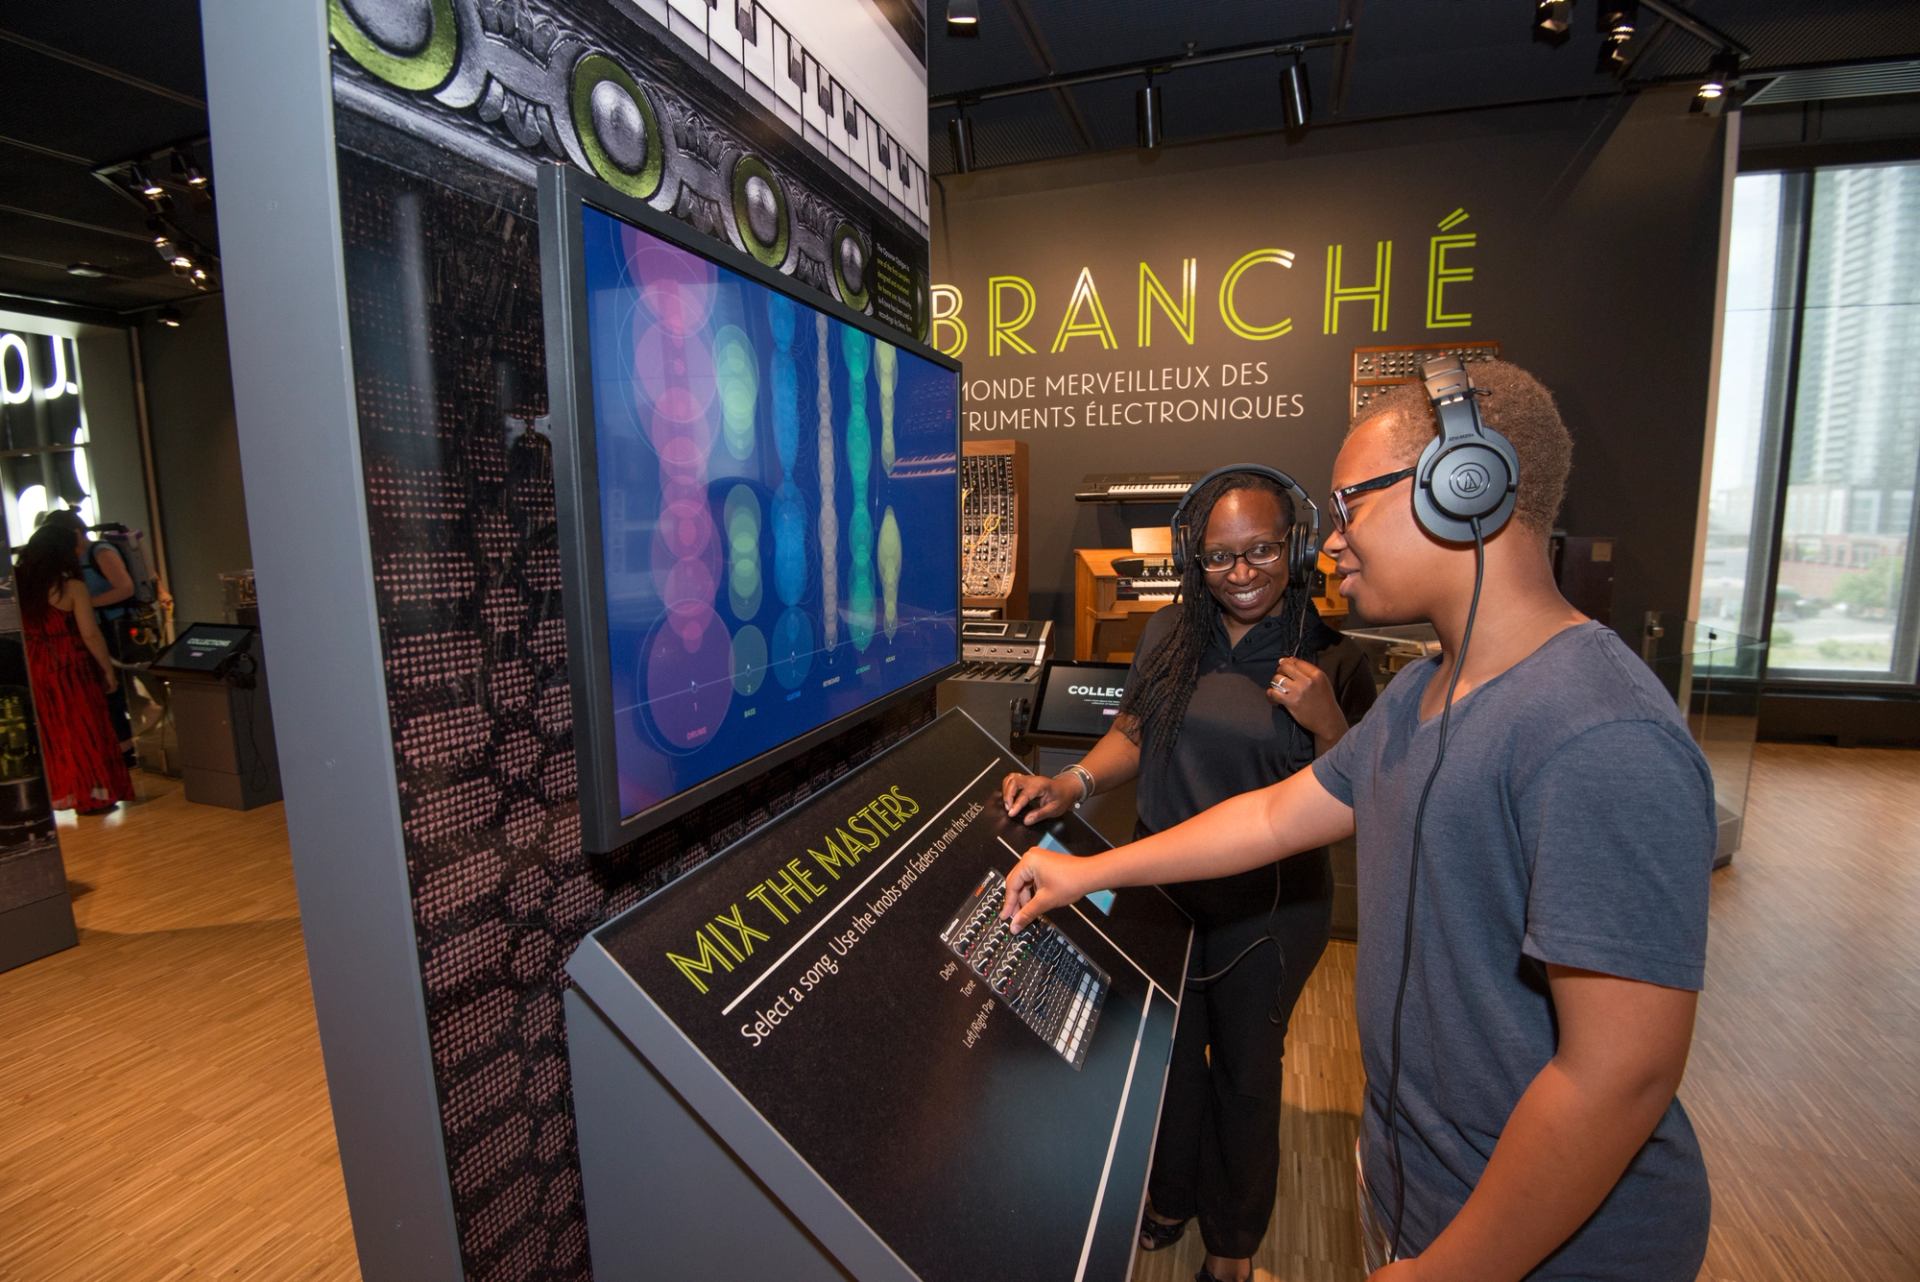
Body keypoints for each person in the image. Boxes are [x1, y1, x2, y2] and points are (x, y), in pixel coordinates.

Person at [1002, 361, 1715, 1282]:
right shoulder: (1422, 692)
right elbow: (1271, 815)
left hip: (1544, 1251)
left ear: (1462, 486)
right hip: (1424, 1200)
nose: (1331, 544)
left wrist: (1448, 1272)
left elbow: (1617, 1078)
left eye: (1350, 507)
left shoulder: (1602, 733)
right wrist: (1085, 870)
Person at [1000, 466, 1375, 1282]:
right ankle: (1168, 1194)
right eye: (1219, 557)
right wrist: (1073, 783)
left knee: (1245, 1075)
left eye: (1262, 550)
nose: (1241, 573)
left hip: (1268, 911)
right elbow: (1137, 731)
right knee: (1165, 1057)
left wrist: (1328, 723)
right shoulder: (1171, 632)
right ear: (1192, 560)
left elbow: (1352, 796)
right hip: (1161, 889)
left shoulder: (1333, 658)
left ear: (1295, 547)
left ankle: (1232, 1249)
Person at [14, 523, 133, 813]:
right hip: (69, 663)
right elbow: (90, 634)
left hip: (35, 663)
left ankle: (65, 791)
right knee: (84, 727)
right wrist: (107, 670)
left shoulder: (19, 587)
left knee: (53, 730)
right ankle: (93, 794)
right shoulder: (71, 587)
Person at [40, 510, 137, 764]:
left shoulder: (100, 552)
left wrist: (85, 604)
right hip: (97, 625)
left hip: (115, 626)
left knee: (121, 687)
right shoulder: (70, 561)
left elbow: (126, 588)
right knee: (114, 690)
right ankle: (124, 745)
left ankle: (127, 747)